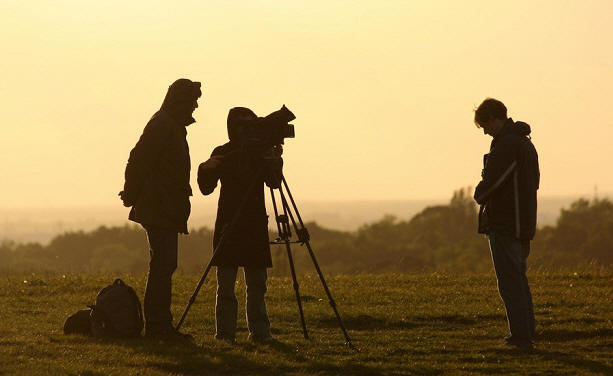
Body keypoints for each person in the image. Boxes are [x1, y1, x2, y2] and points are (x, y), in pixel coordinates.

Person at [119, 78, 202, 340]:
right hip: (160, 206)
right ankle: (158, 326)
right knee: (163, 265)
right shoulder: (164, 125)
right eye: (192, 101)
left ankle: (160, 325)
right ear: (180, 101)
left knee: (164, 265)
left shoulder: (168, 124)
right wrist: (131, 192)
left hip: (164, 206)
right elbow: (139, 158)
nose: (195, 106)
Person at [197, 107, 282, 344]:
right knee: (226, 286)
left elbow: (274, 183)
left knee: (257, 285)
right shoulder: (225, 152)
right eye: (242, 125)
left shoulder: (258, 152)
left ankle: (260, 333)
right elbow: (206, 187)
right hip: (230, 223)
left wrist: (275, 161)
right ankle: (226, 335)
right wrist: (206, 168)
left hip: (252, 223)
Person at [473, 98, 540, 348]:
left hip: (506, 223)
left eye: (485, 125)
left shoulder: (507, 145)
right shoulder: (524, 143)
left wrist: (479, 191)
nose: (485, 131)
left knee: (510, 281)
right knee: (519, 279)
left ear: (494, 119)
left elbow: (490, 184)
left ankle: (521, 336)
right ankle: (527, 330)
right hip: (523, 222)